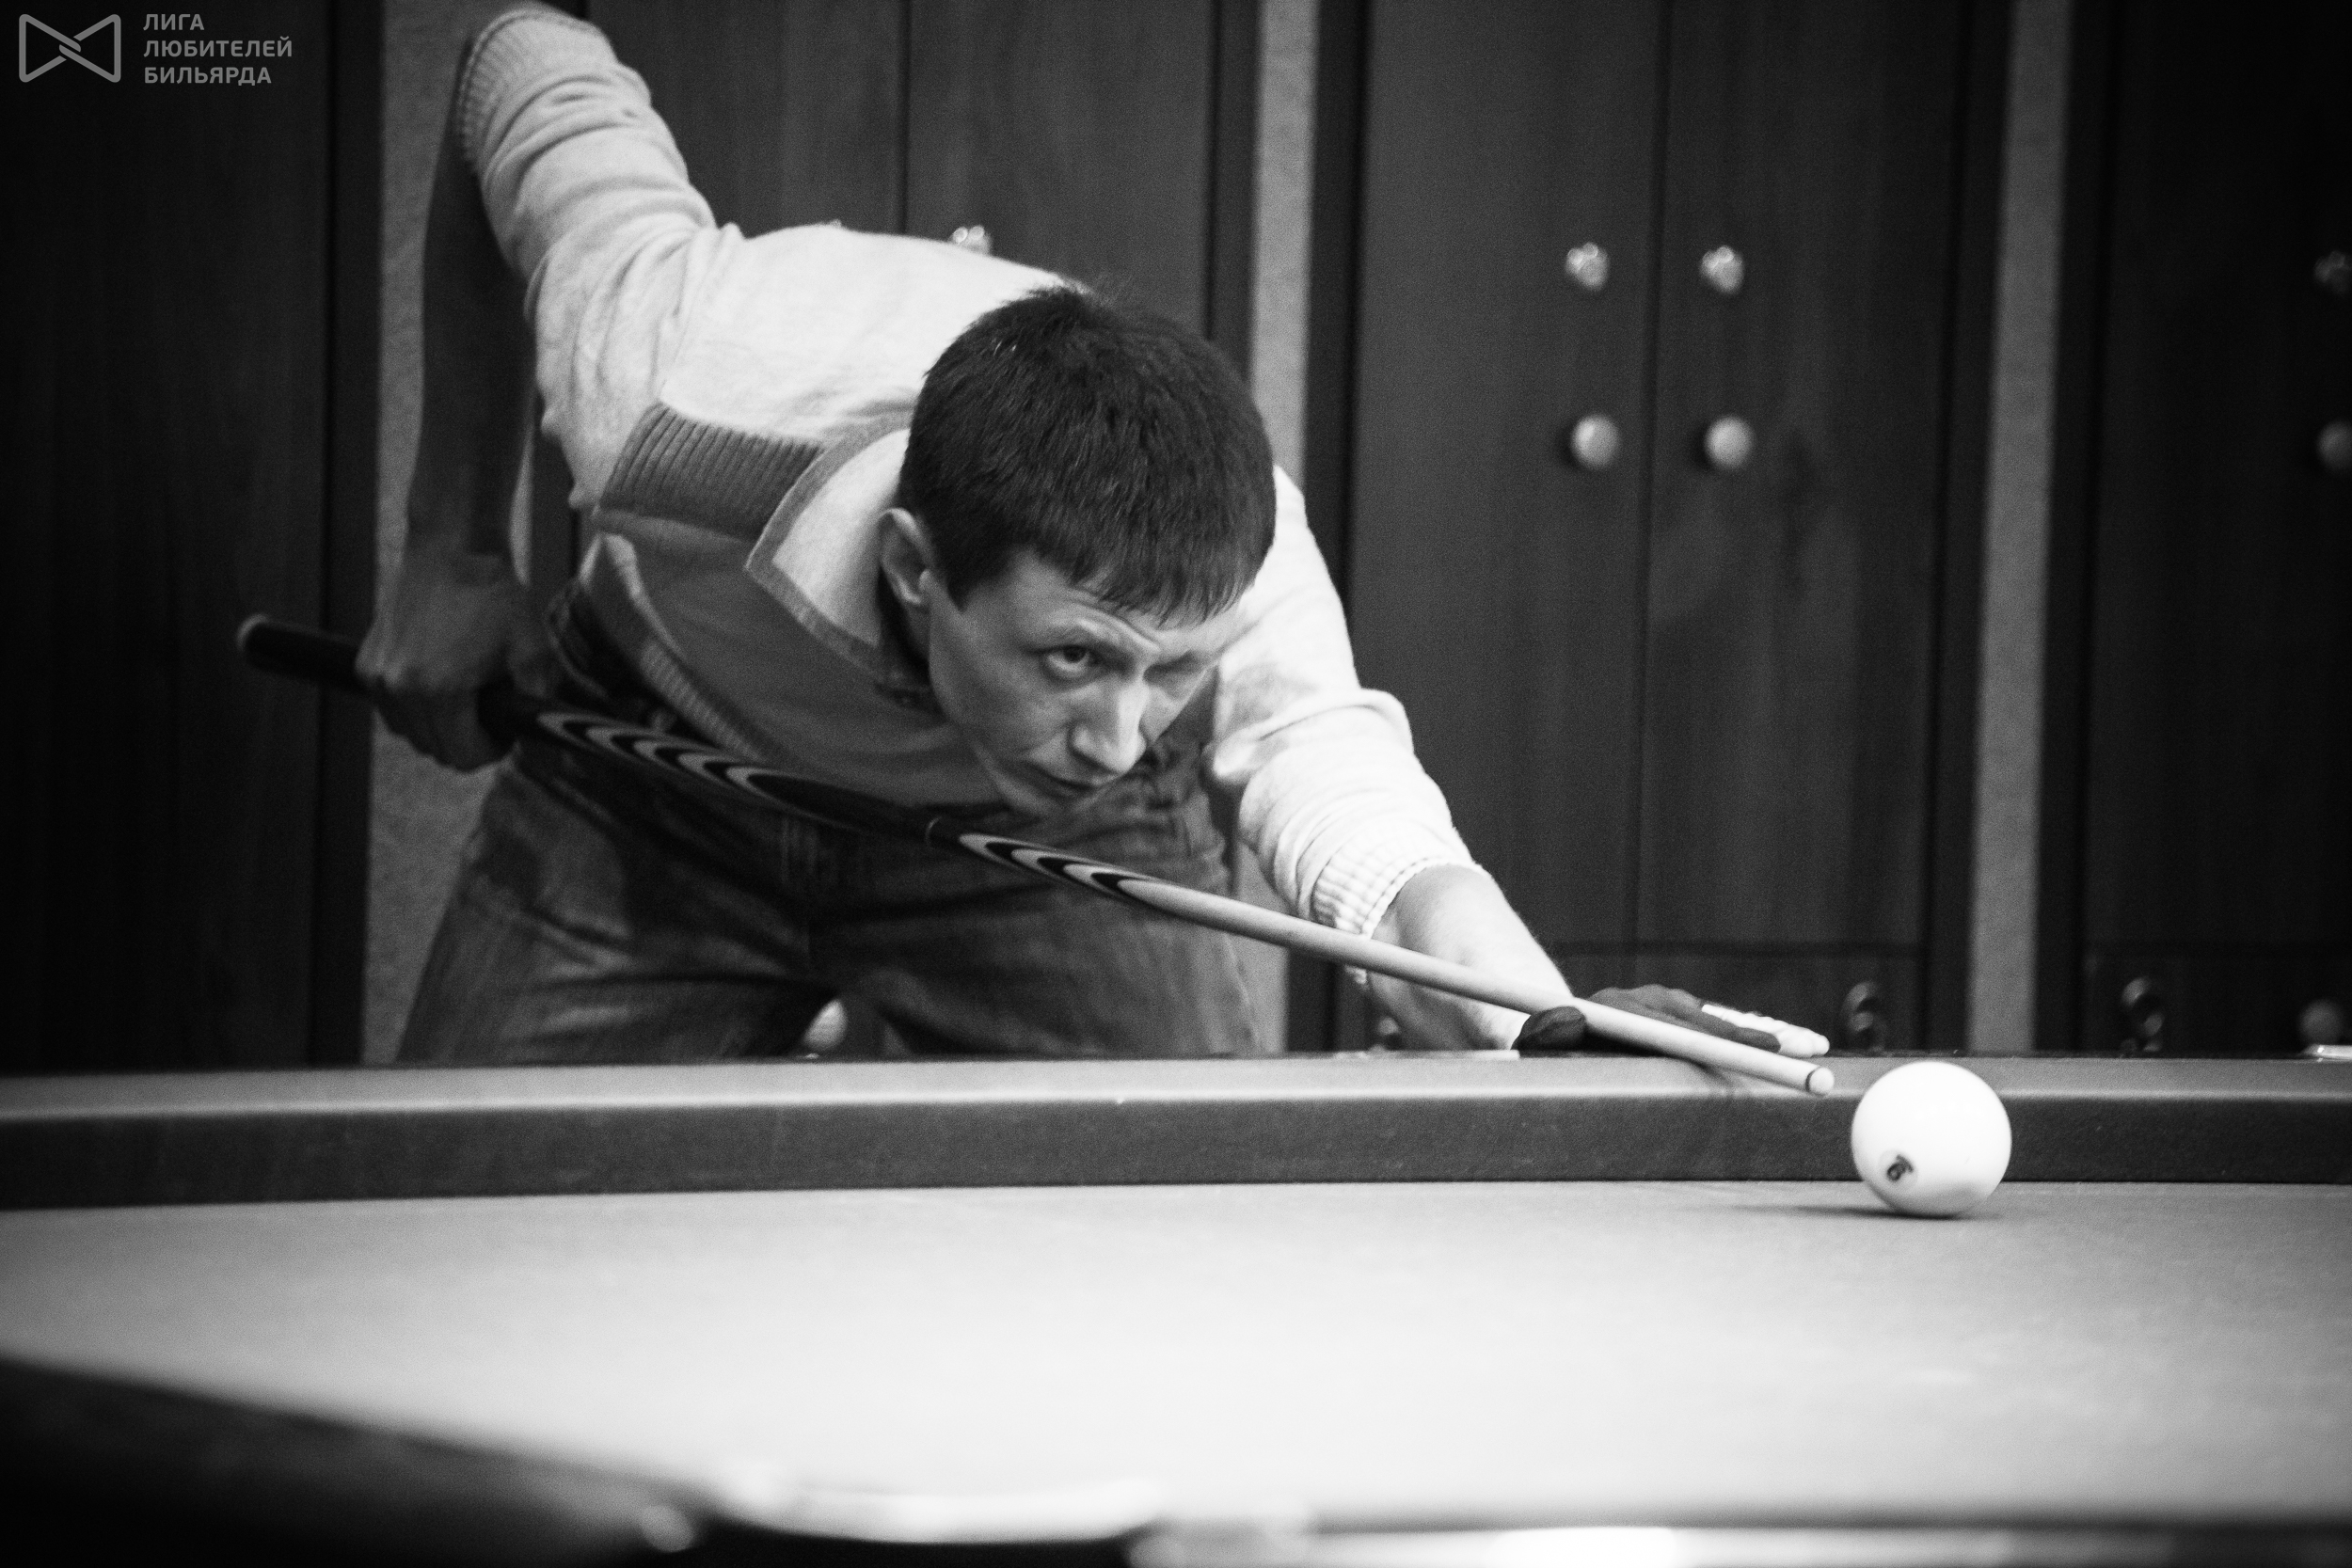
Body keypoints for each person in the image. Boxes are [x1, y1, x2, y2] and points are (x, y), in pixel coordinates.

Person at [364, 3, 1772, 1066]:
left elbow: (1344, 796)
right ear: (915, 571)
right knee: (452, 1234)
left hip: (1055, 847)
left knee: (1195, 1259)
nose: (1119, 730)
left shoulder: (1238, 558)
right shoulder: (671, 386)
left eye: (1170, 673)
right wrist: (453, 552)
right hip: (657, 784)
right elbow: (516, 54)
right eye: (1076, 659)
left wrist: (1527, 1013)